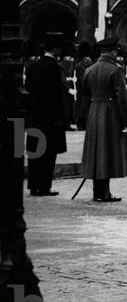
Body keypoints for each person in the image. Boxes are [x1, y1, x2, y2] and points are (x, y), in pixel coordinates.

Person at [80, 37, 127, 202]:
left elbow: (84, 91)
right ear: (113, 51)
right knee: (107, 151)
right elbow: (123, 99)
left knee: (97, 150)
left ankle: (99, 192)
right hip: (110, 113)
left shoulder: (89, 69)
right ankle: (103, 193)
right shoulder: (115, 70)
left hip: (94, 111)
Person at [25, 32, 69, 196]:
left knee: (35, 153)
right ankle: (44, 186)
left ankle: (34, 185)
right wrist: (60, 118)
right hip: (49, 118)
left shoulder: (34, 66)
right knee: (48, 154)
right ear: (56, 50)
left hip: (34, 116)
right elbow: (56, 96)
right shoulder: (53, 67)